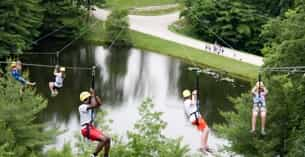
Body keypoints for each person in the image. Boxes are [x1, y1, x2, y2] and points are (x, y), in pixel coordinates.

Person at [79, 89, 111, 157]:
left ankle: (106, 155)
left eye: (88, 98)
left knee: (108, 139)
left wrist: (95, 96)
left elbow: (98, 104)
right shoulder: (82, 107)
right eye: (85, 99)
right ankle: (94, 155)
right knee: (104, 139)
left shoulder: (89, 106)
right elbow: (94, 105)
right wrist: (93, 95)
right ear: (83, 101)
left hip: (91, 127)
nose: (87, 100)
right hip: (85, 129)